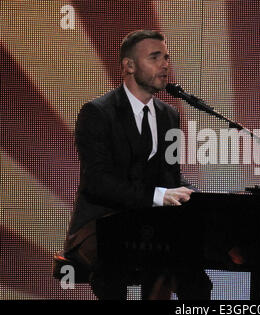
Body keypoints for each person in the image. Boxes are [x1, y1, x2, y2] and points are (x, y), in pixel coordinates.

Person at [63, 29, 212, 300]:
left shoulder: (169, 115)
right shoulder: (97, 113)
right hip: (100, 224)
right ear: (129, 66)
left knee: (194, 276)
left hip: (149, 225)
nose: (165, 64)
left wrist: (201, 196)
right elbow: (98, 183)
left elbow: (170, 176)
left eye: (166, 57)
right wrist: (159, 196)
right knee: (115, 263)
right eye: (155, 57)